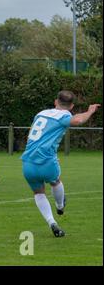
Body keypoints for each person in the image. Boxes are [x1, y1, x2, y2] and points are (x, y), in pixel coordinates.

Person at [21, 91, 100, 237]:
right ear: (71, 106)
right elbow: (77, 121)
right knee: (56, 182)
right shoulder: (65, 115)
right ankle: (60, 206)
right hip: (47, 161)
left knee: (38, 193)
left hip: (28, 162)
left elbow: (30, 135)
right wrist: (90, 111)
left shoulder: (41, 113)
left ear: (55, 101)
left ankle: (52, 222)